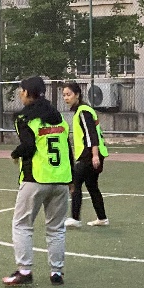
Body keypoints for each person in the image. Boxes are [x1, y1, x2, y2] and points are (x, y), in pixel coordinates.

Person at [4, 76, 72, 287]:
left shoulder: (25, 119)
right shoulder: (59, 118)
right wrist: (72, 179)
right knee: (56, 228)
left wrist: (15, 153)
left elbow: (28, 146)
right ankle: (56, 272)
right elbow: (67, 148)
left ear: (27, 93)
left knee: (22, 225)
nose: (20, 94)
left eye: (21, 90)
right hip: (61, 179)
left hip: (36, 178)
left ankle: (24, 271)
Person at [61, 81, 109, 228]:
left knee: (75, 182)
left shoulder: (83, 111)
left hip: (89, 155)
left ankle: (75, 218)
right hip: (92, 154)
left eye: (68, 94)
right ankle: (102, 218)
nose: (66, 98)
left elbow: (91, 134)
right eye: (64, 95)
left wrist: (95, 155)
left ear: (77, 95)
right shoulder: (81, 110)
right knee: (92, 186)